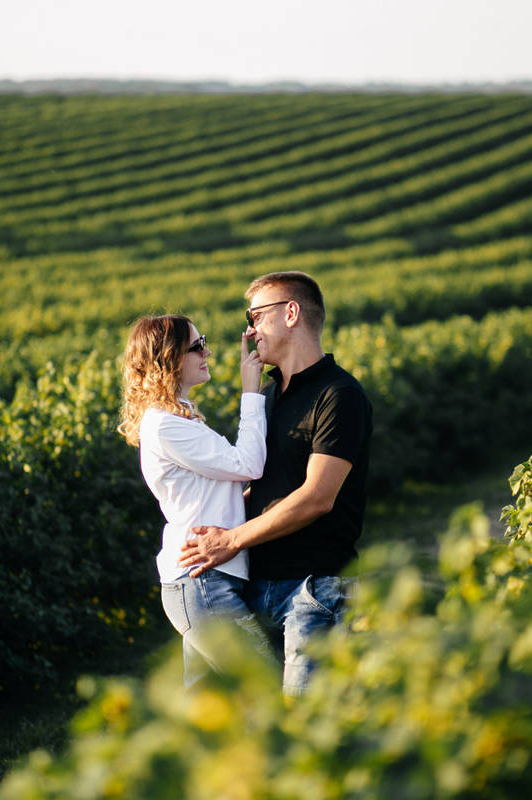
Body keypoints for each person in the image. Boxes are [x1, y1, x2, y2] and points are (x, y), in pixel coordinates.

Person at [179, 271, 373, 696]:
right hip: (253, 584)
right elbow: (264, 489)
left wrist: (231, 539)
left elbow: (316, 497)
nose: (250, 330)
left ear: (291, 313)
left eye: (256, 316)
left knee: (303, 731)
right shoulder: (267, 397)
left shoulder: (339, 395)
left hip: (313, 590)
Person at [118, 314, 273, 691]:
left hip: (205, 578)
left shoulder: (179, 419)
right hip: (203, 582)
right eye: (196, 346)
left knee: (205, 707)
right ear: (168, 359)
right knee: (265, 684)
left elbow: (215, 493)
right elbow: (247, 464)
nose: (207, 351)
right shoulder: (165, 425)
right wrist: (251, 391)